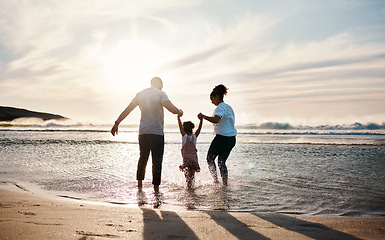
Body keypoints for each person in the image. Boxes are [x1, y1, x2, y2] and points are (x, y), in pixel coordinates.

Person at [111, 77, 183, 193]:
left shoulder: (140, 94)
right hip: (157, 133)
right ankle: (156, 189)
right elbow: (172, 109)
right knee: (157, 160)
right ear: (159, 83)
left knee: (142, 158)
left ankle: (139, 186)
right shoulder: (160, 94)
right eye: (162, 84)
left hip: (143, 132)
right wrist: (180, 112)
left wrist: (116, 123)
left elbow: (128, 110)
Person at [198, 84, 237, 186]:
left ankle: (215, 181)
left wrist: (203, 117)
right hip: (231, 139)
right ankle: (225, 184)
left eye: (212, 99)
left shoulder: (219, 108)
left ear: (217, 97)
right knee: (221, 161)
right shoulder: (229, 107)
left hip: (222, 138)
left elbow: (216, 119)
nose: (212, 102)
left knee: (210, 158)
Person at [177, 115, 203, 190]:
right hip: (194, 159)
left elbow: (180, 127)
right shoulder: (194, 137)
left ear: (184, 129)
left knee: (187, 176)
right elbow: (199, 129)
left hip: (186, 159)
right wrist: (201, 120)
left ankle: (189, 188)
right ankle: (192, 187)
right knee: (192, 175)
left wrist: (178, 117)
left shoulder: (184, 137)